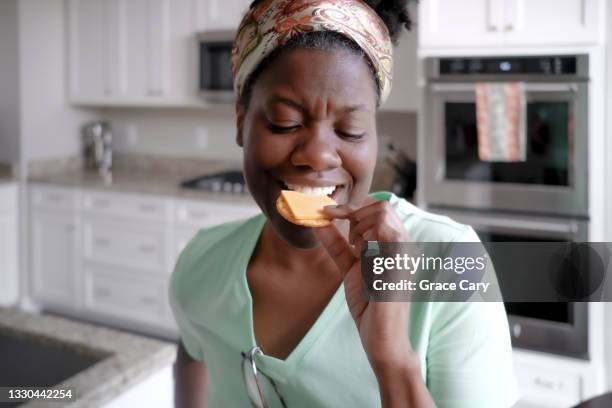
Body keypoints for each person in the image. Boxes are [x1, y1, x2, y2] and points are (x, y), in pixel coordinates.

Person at [169, 0, 520, 407]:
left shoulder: (453, 263)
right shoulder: (202, 263)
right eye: (285, 123)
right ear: (240, 121)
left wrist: (391, 357)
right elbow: (193, 353)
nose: (318, 155)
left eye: (351, 130)